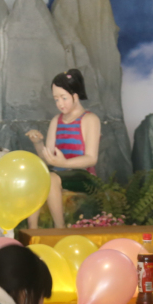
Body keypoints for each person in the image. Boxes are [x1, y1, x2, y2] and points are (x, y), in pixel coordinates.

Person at [25, 68, 101, 229]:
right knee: (37, 175)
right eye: (56, 99)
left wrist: (64, 163)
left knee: (51, 178)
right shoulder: (56, 120)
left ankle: (60, 228)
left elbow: (91, 158)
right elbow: (48, 159)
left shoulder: (90, 119)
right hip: (59, 174)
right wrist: (38, 143)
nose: (60, 103)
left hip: (83, 176)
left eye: (64, 98)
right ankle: (32, 229)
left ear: (75, 95)